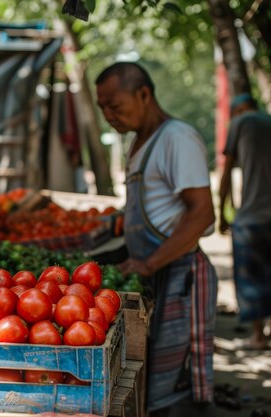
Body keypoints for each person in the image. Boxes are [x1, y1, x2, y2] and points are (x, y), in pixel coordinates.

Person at [95, 62, 218, 417]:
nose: (107, 114)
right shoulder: (139, 143)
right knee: (152, 375)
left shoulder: (176, 138)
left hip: (180, 274)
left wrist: (148, 262)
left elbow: (202, 214)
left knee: (178, 385)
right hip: (154, 275)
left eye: (114, 105)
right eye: (101, 106)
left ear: (144, 94)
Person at [218, 93, 271, 349]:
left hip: (252, 217)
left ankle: (258, 335)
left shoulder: (240, 122)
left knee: (251, 276)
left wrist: (223, 212)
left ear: (237, 111)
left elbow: (226, 171)